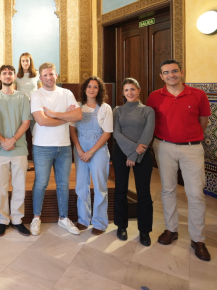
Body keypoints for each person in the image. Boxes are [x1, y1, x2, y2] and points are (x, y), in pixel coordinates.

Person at [147, 59, 212, 261]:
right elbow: (150, 122)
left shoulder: (198, 95)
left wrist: (188, 136)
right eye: (166, 72)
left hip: (192, 149)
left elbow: (203, 121)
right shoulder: (154, 96)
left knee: (195, 193)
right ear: (161, 76)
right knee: (167, 190)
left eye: (174, 71)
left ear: (182, 72)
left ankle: (198, 239)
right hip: (164, 146)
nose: (171, 75)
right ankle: (171, 229)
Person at [30, 62, 82, 236]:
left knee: (63, 184)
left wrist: (54, 114)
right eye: (45, 75)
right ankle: (36, 217)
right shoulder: (36, 94)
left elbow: (78, 115)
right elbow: (42, 121)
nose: (49, 77)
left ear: (56, 75)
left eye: (51, 74)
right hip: (42, 146)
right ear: (40, 77)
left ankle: (63, 218)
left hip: (64, 146)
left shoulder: (66, 93)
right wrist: (65, 118)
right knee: (41, 183)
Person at [0, 65, 32, 236]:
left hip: (19, 148)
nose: (7, 76)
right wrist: (2, 141)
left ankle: (17, 219)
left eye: (10, 73)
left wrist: (13, 140)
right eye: (4, 73)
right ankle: (3, 220)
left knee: (19, 186)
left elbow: (26, 122)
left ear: (15, 76)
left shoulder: (23, 97)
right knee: (1, 186)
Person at [112, 78, 155, 247]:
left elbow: (148, 133)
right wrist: (131, 152)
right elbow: (116, 132)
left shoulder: (148, 111)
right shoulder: (118, 110)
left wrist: (136, 153)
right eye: (126, 90)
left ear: (139, 90)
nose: (129, 93)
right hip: (121, 153)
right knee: (120, 189)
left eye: (132, 89)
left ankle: (144, 231)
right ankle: (121, 226)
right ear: (123, 93)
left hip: (143, 154)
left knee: (143, 192)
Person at [69, 76, 113, 235]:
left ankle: (100, 223)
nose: (92, 89)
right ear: (84, 89)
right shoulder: (77, 108)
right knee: (81, 185)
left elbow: (107, 133)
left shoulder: (105, 108)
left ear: (99, 90)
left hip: (98, 149)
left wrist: (91, 152)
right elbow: (72, 130)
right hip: (80, 149)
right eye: (89, 86)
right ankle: (83, 219)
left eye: (95, 87)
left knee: (100, 187)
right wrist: (80, 150)